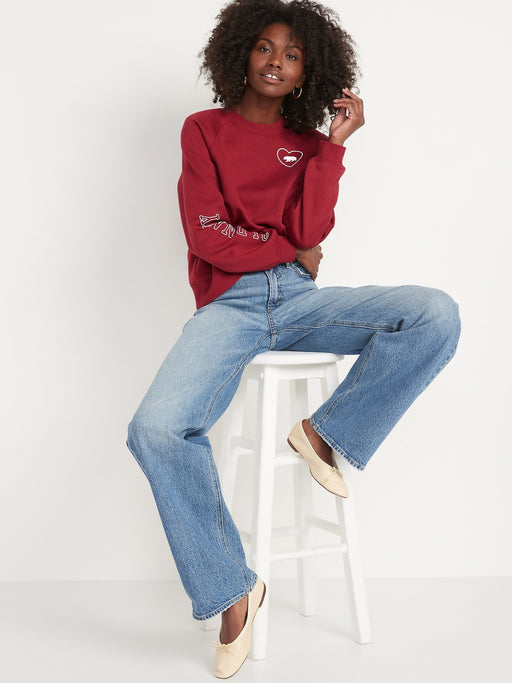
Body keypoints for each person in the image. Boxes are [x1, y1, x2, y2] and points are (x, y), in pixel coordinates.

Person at [126, 0, 461, 677]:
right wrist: (285, 247)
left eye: (293, 54)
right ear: (240, 54)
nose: (276, 61)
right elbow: (208, 236)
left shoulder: (309, 145)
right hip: (230, 307)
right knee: (155, 429)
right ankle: (233, 589)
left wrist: (334, 145)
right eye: (265, 48)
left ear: (309, 71)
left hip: (301, 301)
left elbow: (311, 230)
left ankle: (324, 433)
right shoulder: (204, 130)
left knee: (435, 313)